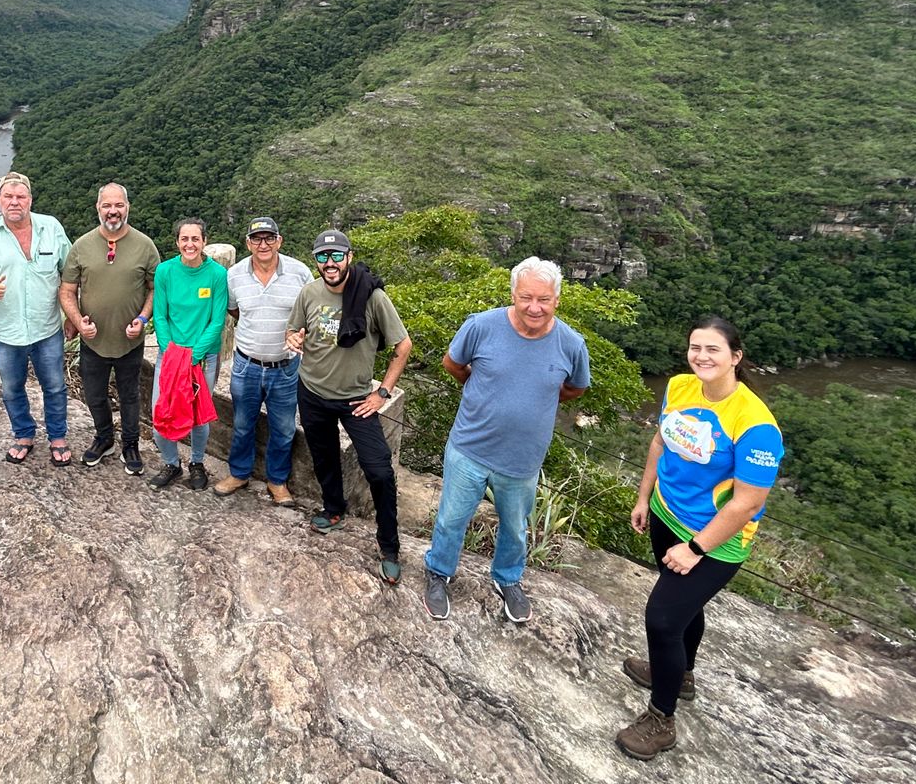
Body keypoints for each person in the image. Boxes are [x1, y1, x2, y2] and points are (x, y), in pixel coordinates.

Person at [615, 317, 782, 761]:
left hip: (716, 540)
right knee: (686, 610)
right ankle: (680, 674)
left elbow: (745, 504)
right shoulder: (680, 386)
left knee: (662, 620)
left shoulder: (755, 425)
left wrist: (695, 549)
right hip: (667, 514)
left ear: (736, 357)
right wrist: (644, 495)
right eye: (695, 347)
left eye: (713, 349)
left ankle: (661, 719)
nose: (702, 356)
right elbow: (660, 443)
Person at [421, 256, 590, 624]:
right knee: (452, 518)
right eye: (526, 297)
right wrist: (483, 391)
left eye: (544, 299)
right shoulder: (481, 326)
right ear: (513, 294)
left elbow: (575, 388)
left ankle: (508, 578)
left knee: (515, 525)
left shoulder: (571, 344)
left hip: (521, 458)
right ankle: (438, 571)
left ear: (557, 300)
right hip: (470, 446)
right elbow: (453, 364)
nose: (534, 307)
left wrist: (533, 399)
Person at [285, 228, 412, 584]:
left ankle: (389, 546)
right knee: (323, 456)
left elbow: (403, 346)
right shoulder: (309, 292)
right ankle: (334, 509)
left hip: (356, 399)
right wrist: (292, 337)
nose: (329, 263)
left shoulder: (371, 298)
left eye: (336, 255)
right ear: (316, 260)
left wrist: (382, 394)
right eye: (322, 257)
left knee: (380, 471)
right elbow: (293, 330)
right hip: (311, 392)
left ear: (349, 257)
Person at [0, 171, 74, 465]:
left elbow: (71, 274)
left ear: (30, 200)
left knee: (54, 386)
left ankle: (58, 437)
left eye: (20, 197)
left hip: (47, 328)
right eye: (9, 197)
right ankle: (23, 435)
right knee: (12, 389)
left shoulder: (51, 227)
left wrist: (73, 315)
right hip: (7, 332)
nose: (15, 202)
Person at [59, 182, 159, 475]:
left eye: (118, 205)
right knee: (95, 394)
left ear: (127, 207)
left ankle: (130, 443)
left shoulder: (145, 246)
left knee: (129, 395)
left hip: (130, 340)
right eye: (107, 206)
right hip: (93, 340)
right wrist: (78, 323)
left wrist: (142, 320)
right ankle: (104, 438)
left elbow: (156, 289)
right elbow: (66, 291)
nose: (113, 211)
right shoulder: (82, 246)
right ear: (98, 208)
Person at [216, 217, 313, 505]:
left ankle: (277, 481)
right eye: (257, 238)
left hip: (285, 366)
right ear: (248, 243)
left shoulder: (299, 272)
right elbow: (235, 312)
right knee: (243, 423)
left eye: (269, 238)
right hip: (246, 364)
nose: (263, 244)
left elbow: (312, 312)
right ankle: (239, 473)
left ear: (279, 241)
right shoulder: (234, 275)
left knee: (283, 428)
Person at [148, 217, 228, 491]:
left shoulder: (217, 275)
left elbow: (217, 321)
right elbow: (160, 315)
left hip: (203, 358)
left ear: (204, 241)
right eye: (185, 239)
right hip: (170, 356)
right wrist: (171, 350)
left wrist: (194, 355)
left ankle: (196, 462)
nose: (190, 244)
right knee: (161, 413)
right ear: (177, 242)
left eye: (196, 239)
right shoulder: (165, 271)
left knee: (197, 415)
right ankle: (171, 463)